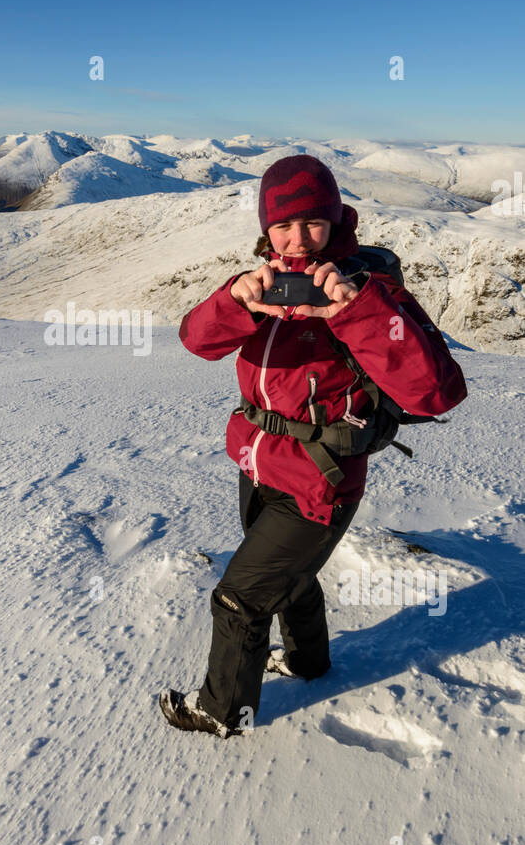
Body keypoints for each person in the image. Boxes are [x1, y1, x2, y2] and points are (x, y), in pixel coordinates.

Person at [159, 154, 468, 739]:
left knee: (239, 600)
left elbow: (435, 393)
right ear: (265, 230)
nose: (297, 240)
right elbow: (196, 341)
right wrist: (237, 301)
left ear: (334, 221)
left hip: (320, 481)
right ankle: (307, 661)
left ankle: (223, 712)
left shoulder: (370, 293)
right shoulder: (263, 284)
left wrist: (358, 314)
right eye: (282, 226)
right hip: (258, 464)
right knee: (291, 577)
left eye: (311, 224)